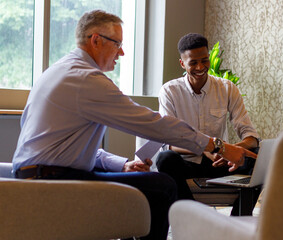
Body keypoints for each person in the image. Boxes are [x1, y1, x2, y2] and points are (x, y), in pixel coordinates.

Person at [12, 11, 257, 240]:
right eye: (117, 44)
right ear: (96, 40)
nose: (122, 53)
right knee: (161, 187)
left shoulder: (58, 71)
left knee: (148, 181)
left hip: (44, 173)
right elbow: (153, 125)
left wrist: (123, 164)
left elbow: (72, 151)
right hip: (55, 180)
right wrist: (218, 146)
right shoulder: (87, 78)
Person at [156, 33, 260, 214]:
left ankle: (236, 223)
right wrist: (209, 148)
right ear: (182, 64)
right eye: (193, 63)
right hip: (187, 164)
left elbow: (251, 137)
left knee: (257, 156)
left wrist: (229, 150)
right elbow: (169, 142)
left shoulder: (227, 88)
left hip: (221, 163)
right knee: (165, 159)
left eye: (205, 61)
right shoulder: (169, 91)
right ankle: (194, 217)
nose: (200, 67)